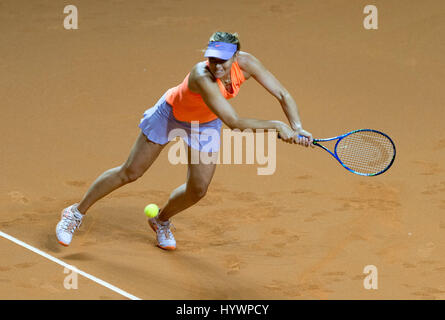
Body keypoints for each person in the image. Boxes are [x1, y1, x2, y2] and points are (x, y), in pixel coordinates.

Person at [56, 31, 313, 251]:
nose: (217, 65)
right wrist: (278, 127)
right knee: (131, 172)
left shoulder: (248, 64)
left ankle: (160, 220)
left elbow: (282, 93)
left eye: (223, 60)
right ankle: (75, 213)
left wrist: (297, 127)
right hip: (170, 114)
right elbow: (234, 122)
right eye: (212, 58)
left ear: (236, 57)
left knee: (198, 189)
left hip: (205, 123)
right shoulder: (201, 75)